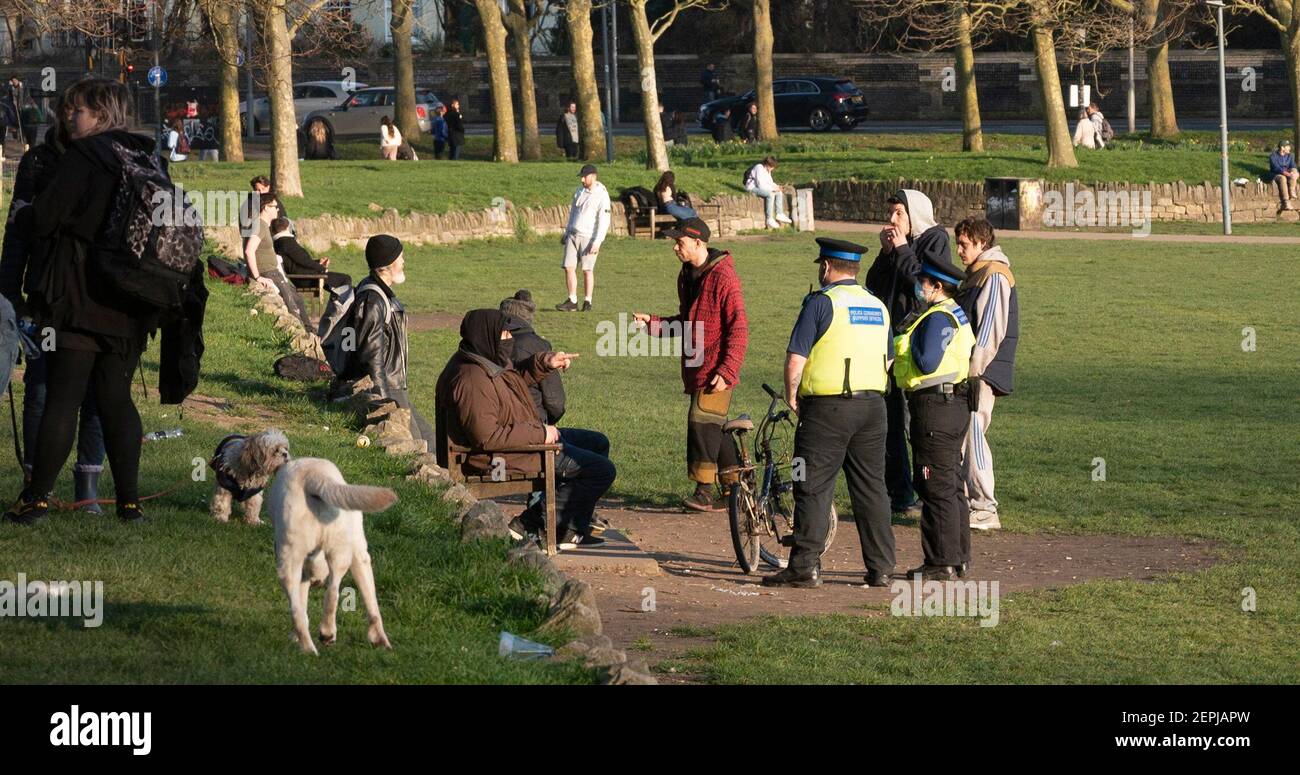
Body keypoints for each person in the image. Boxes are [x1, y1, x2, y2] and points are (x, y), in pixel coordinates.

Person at [2, 78, 166, 525]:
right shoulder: (144, 155)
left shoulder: (83, 157)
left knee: (64, 397)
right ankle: (130, 504)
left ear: (102, 114)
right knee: (116, 397)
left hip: (80, 298)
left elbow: (47, 217)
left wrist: (25, 214)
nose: (69, 117)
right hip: (131, 299)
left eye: (79, 111)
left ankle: (35, 500)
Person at [763, 238, 895, 588]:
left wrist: (793, 396)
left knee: (811, 484)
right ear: (855, 269)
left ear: (826, 267)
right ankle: (881, 567)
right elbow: (890, 358)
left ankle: (805, 565)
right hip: (873, 409)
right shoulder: (877, 305)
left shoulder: (821, 303)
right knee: (872, 489)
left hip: (827, 411)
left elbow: (796, 357)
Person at [0, 101, 108, 512]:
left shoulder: (110, 160)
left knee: (95, 392)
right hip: (45, 294)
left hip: (97, 297)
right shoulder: (39, 163)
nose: (70, 120)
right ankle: (36, 482)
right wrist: (10, 294)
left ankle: (88, 488)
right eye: (69, 112)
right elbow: (16, 233)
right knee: (42, 388)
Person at [435, 309, 614, 546]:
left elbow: (514, 380)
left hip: (519, 439)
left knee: (597, 443)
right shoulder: (472, 380)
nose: (510, 338)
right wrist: (541, 433)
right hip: (497, 457)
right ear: (487, 336)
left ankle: (569, 527)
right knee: (601, 470)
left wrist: (545, 363)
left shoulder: (483, 360)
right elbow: (487, 437)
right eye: (505, 333)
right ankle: (531, 523)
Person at [632, 218, 749, 512]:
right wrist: (655, 325)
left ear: (699, 243)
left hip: (717, 367)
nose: (674, 248)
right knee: (715, 427)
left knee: (700, 421)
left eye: (679, 242)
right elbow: (688, 322)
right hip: (697, 364)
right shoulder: (686, 275)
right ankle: (736, 490)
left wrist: (727, 370)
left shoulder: (724, 277)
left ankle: (703, 491)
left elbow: (739, 328)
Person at [864, 188, 950, 518]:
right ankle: (899, 494)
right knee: (889, 420)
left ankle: (928, 493)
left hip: (915, 347)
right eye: (891, 213)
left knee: (917, 423)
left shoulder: (935, 239)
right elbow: (874, 283)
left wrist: (900, 249)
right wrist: (887, 253)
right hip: (886, 345)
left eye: (899, 213)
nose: (892, 220)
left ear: (915, 213)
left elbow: (923, 287)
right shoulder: (898, 244)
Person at [893, 253, 976, 581]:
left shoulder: (937, 317)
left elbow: (927, 361)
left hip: (934, 409)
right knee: (952, 484)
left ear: (936, 286)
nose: (917, 287)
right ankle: (958, 557)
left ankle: (939, 561)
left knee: (935, 485)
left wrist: (907, 343)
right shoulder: (956, 313)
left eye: (922, 282)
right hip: (953, 406)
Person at [953, 218, 1019, 532]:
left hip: (981, 373)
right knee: (967, 433)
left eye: (964, 244)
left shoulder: (994, 276)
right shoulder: (978, 275)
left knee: (973, 432)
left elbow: (990, 330)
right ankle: (970, 503)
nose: (959, 250)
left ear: (982, 243)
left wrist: (973, 372)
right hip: (975, 371)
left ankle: (984, 507)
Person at [335, 235, 432, 445]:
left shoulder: (380, 294)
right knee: (416, 444)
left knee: (429, 438)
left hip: (395, 384)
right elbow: (371, 354)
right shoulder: (373, 299)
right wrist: (382, 397)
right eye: (401, 257)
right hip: (388, 386)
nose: (404, 262)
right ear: (388, 264)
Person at [244, 195, 311, 330]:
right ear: (266, 208)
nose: (278, 210)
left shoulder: (263, 225)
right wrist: (257, 277)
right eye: (275, 207)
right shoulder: (260, 225)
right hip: (268, 272)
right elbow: (249, 251)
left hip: (273, 271)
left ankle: (310, 331)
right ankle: (304, 335)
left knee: (297, 299)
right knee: (292, 306)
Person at [500, 290, 565, 425]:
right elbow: (555, 403)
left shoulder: (485, 343)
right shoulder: (536, 345)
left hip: (502, 425)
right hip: (532, 428)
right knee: (598, 442)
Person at [556, 164, 611, 312]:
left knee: (587, 270)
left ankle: (588, 301)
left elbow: (604, 220)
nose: (582, 179)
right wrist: (567, 232)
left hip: (589, 237)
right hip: (573, 235)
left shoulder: (602, 195)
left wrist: (597, 241)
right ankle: (572, 300)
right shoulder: (579, 192)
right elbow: (573, 213)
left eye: (584, 177)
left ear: (593, 176)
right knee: (569, 267)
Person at [271, 217, 351, 291]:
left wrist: (318, 262)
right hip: (307, 279)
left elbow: (299, 262)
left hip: (303, 277)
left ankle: (337, 302)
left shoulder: (280, 242)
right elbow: (304, 261)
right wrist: (321, 268)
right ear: (287, 227)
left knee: (336, 286)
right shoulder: (287, 242)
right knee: (345, 279)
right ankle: (343, 305)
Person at [744, 156, 792, 229]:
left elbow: (770, 182)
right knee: (771, 194)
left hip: (759, 187)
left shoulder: (767, 170)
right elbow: (760, 185)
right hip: (752, 188)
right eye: (772, 167)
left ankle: (779, 213)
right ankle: (769, 219)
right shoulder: (759, 168)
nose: (773, 169)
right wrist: (772, 189)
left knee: (779, 193)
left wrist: (777, 187)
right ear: (767, 164)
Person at [1269, 140, 1298, 210]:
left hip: (1288, 173)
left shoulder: (1290, 155)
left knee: (1294, 171)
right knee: (1283, 178)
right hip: (1276, 174)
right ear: (1282, 148)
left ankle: (1292, 190)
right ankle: (1286, 202)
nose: (1290, 148)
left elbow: (1293, 166)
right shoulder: (1273, 156)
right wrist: (1287, 174)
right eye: (1288, 147)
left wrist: (1295, 173)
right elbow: (1276, 168)